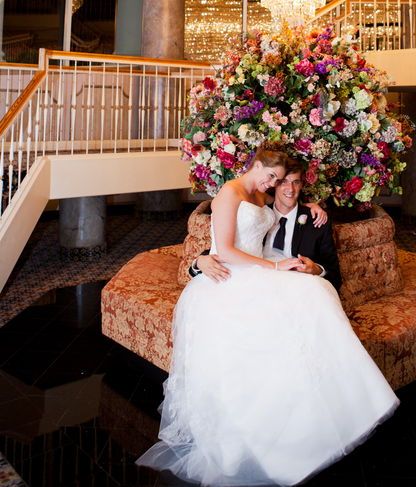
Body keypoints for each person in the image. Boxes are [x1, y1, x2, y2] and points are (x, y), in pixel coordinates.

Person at [137, 144, 399, 486]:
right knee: (273, 319)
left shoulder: (261, 196)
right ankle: (266, 434)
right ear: (256, 164)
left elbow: (278, 217)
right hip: (229, 276)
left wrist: (311, 208)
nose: (273, 184)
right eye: (272, 177)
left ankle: (340, 410)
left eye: (279, 179)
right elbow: (226, 249)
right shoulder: (228, 193)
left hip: (258, 268)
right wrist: (212, 262)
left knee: (315, 292)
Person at [191, 157, 342, 290]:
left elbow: (335, 276)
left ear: (301, 184)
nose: (290, 189)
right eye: (283, 182)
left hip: (294, 290)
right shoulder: (257, 214)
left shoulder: (317, 221)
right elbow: (229, 245)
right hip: (249, 283)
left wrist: (316, 269)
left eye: (296, 182)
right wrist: (200, 261)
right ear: (274, 185)